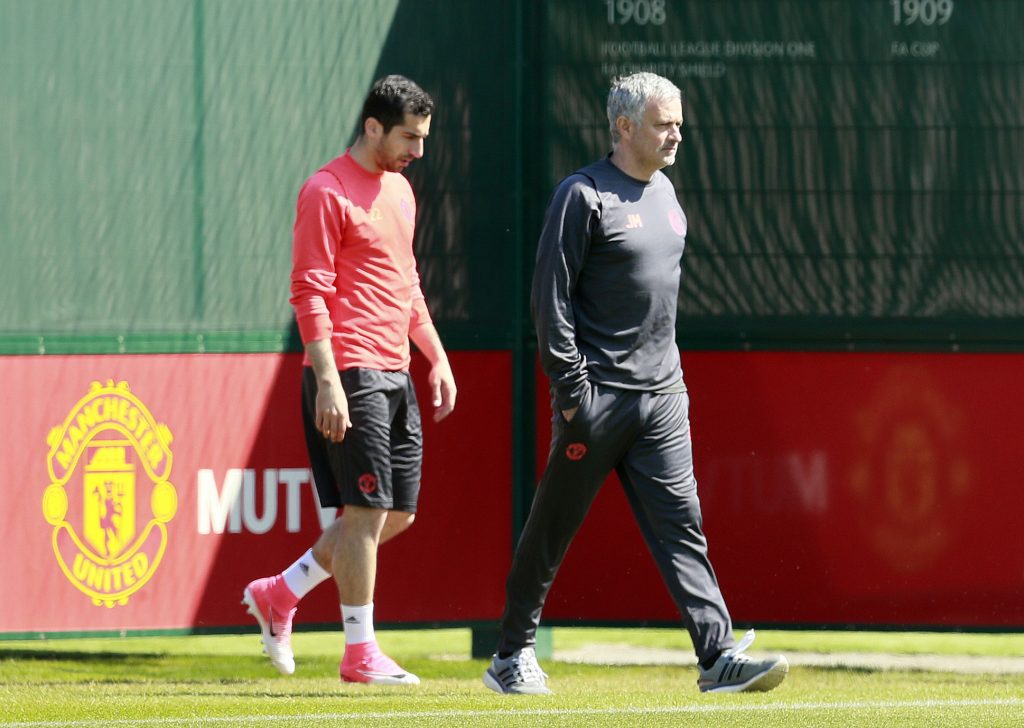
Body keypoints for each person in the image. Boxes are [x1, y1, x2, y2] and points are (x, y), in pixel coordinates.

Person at [483, 73, 787, 695]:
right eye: (663, 123)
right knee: (552, 529)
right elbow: (551, 300)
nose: (676, 133)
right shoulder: (582, 194)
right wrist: (572, 393)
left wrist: (669, 384)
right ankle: (511, 657)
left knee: (684, 526)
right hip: (595, 401)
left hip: (663, 400)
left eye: (678, 121)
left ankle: (717, 657)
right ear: (624, 128)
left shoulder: (667, 193)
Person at [243, 75, 456, 686]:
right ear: (372, 128)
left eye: (422, 138)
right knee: (364, 513)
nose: (418, 150)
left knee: (398, 514)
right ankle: (359, 652)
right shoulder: (325, 190)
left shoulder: (402, 192)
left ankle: (281, 593)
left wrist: (435, 356)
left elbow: (407, 283)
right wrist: (329, 381)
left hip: (396, 370)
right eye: (408, 138)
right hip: (348, 370)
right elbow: (308, 292)